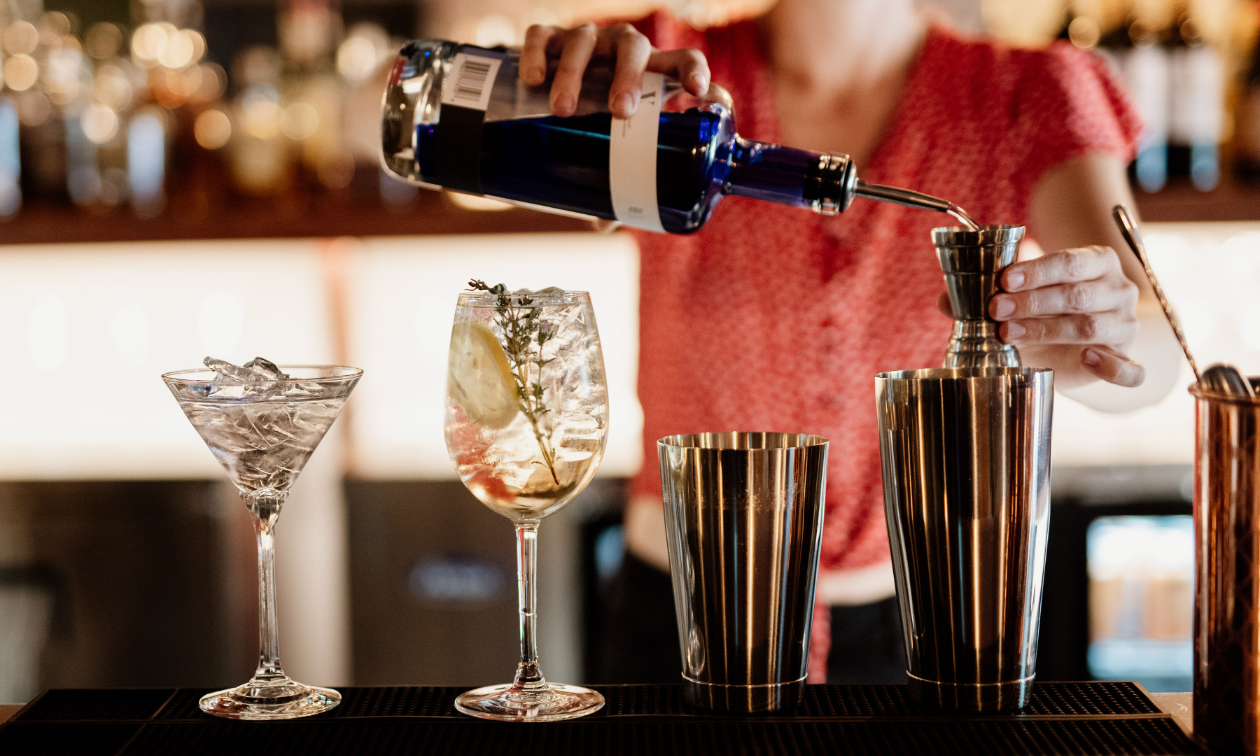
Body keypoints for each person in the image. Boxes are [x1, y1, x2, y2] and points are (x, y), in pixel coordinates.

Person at [520, 0, 1181, 683]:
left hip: (916, 633)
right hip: (680, 617)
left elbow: (1154, 334)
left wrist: (1100, 337)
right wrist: (531, 88)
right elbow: (434, 123)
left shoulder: (1025, 92)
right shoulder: (668, 77)